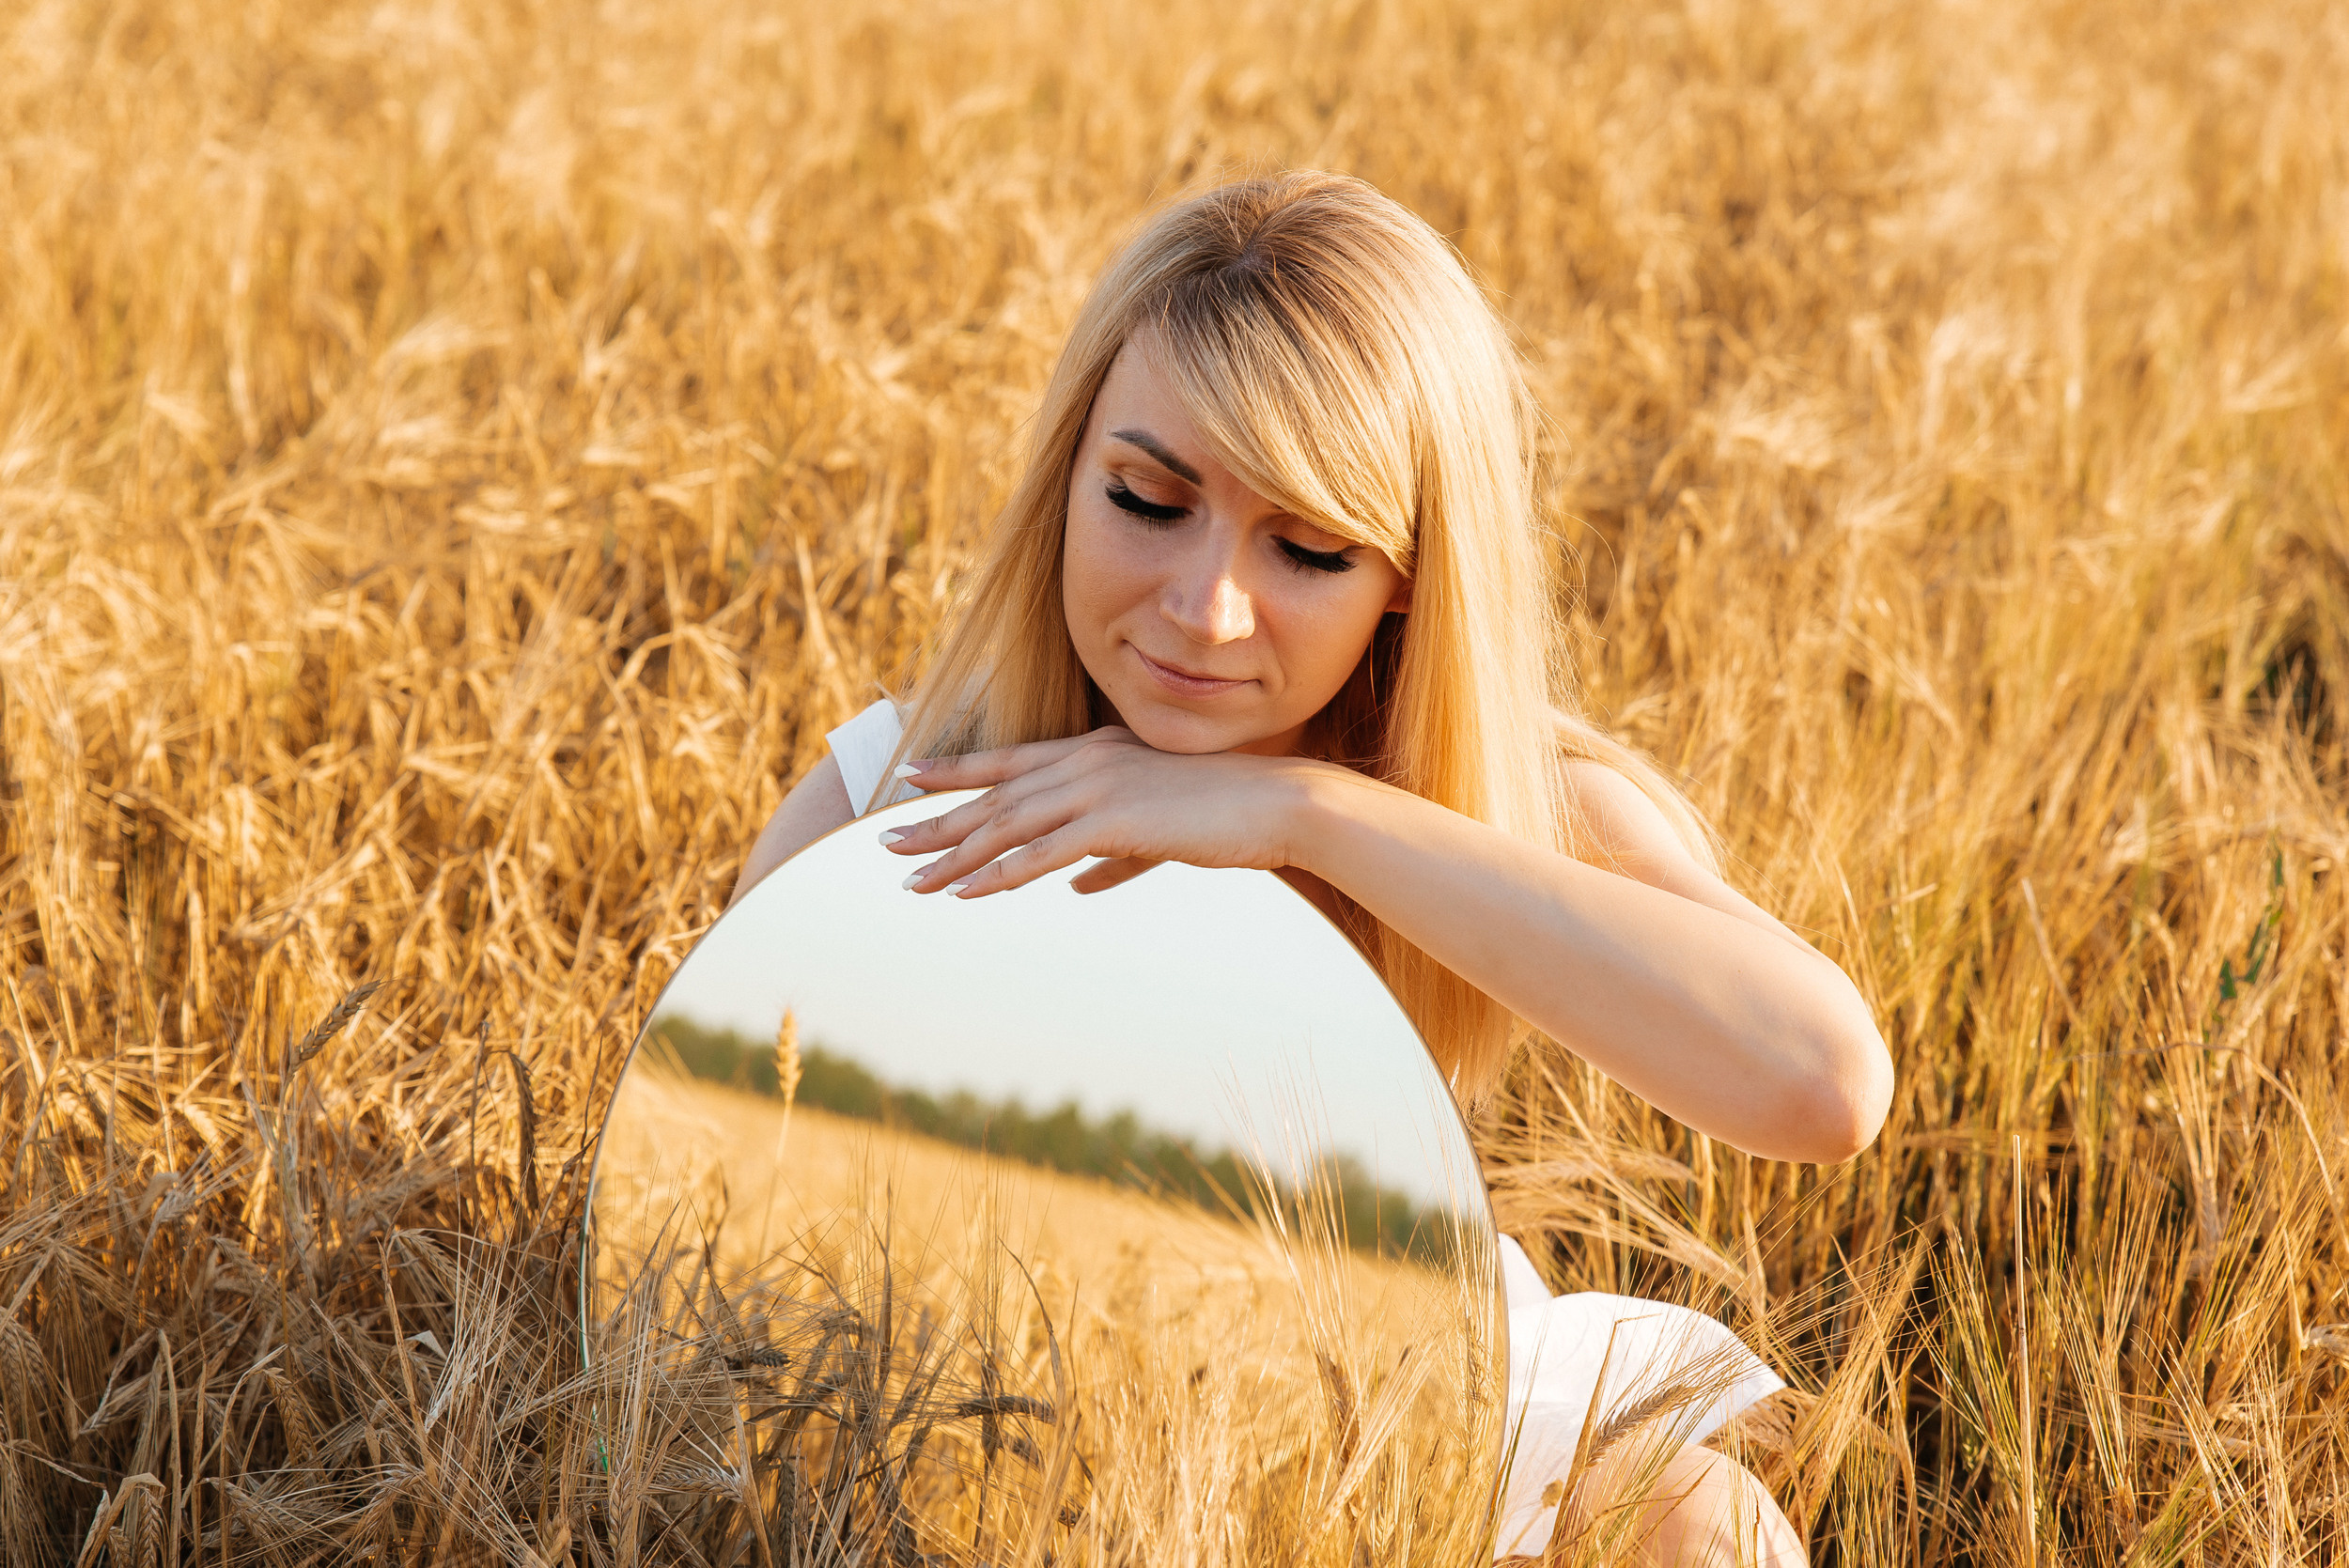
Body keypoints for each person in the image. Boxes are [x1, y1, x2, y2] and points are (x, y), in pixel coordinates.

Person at [731, 170, 1891, 1565]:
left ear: (1409, 572)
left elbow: (1820, 1081)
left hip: (1413, 1434)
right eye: (1148, 500)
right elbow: (723, 1241)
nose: (1205, 609)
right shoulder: (901, 802)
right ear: (1066, 473)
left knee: (1699, 1524)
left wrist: (1306, 813)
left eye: (1311, 546)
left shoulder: (1503, 803)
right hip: (1020, 1468)